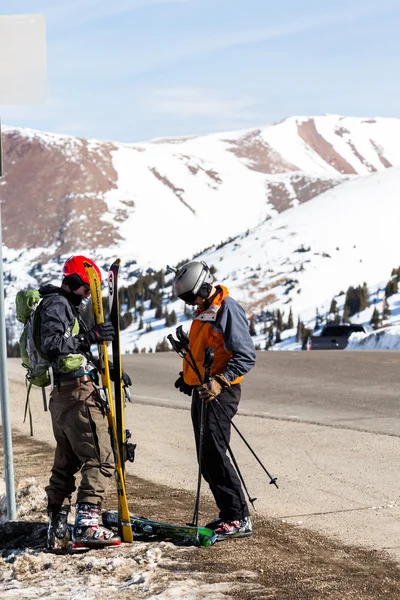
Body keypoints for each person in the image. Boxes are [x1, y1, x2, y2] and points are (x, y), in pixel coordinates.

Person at [39, 255, 131, 551]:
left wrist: (109, 370)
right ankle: (87, 525)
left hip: (67, 394)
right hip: (77, 395)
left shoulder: (63, 305)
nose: (90, 294)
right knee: (101, 456)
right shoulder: (57, 305)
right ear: (76, 282)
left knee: (67, 462)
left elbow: (73, 353)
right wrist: (90, 336)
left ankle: (58, 528)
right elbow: (52, 344)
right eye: (87, 288)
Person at [172, 260, 256, 541]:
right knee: (205, 456)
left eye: (190, 296)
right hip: (203, 390)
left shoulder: (227, 308)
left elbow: (245, 356)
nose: (189, 302)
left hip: (221, 391)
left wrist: (220, 382)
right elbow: (204, 350)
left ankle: (238, 516)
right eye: (185, 299)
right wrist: (189, 379)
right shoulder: (204, 311)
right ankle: (229, 512)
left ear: (205, 286)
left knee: (214, 453)